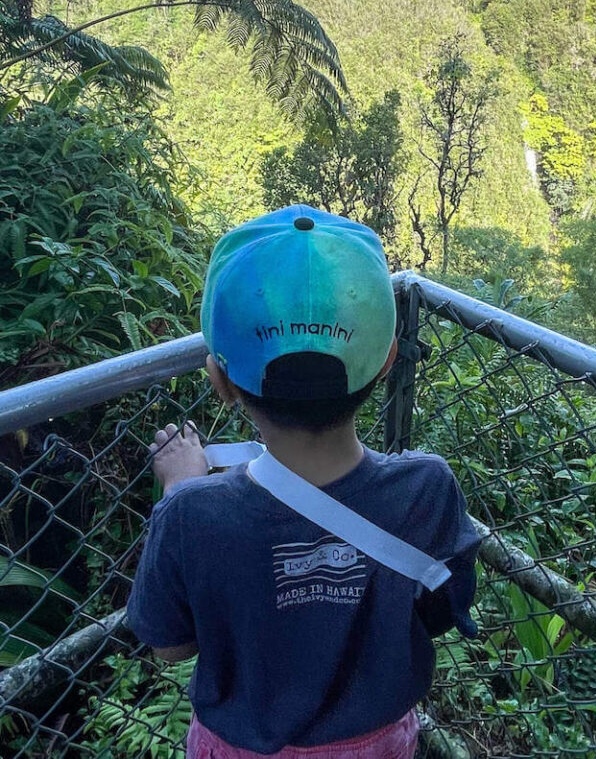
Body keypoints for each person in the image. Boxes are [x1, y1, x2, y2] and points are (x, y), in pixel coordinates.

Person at [126, 205, 481, 759]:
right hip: (380, 744)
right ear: (387, 360)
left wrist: (180, 487)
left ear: (220, 379)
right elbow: (439, 614)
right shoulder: (426, 489)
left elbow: (170, 646)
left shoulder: (191, 512)